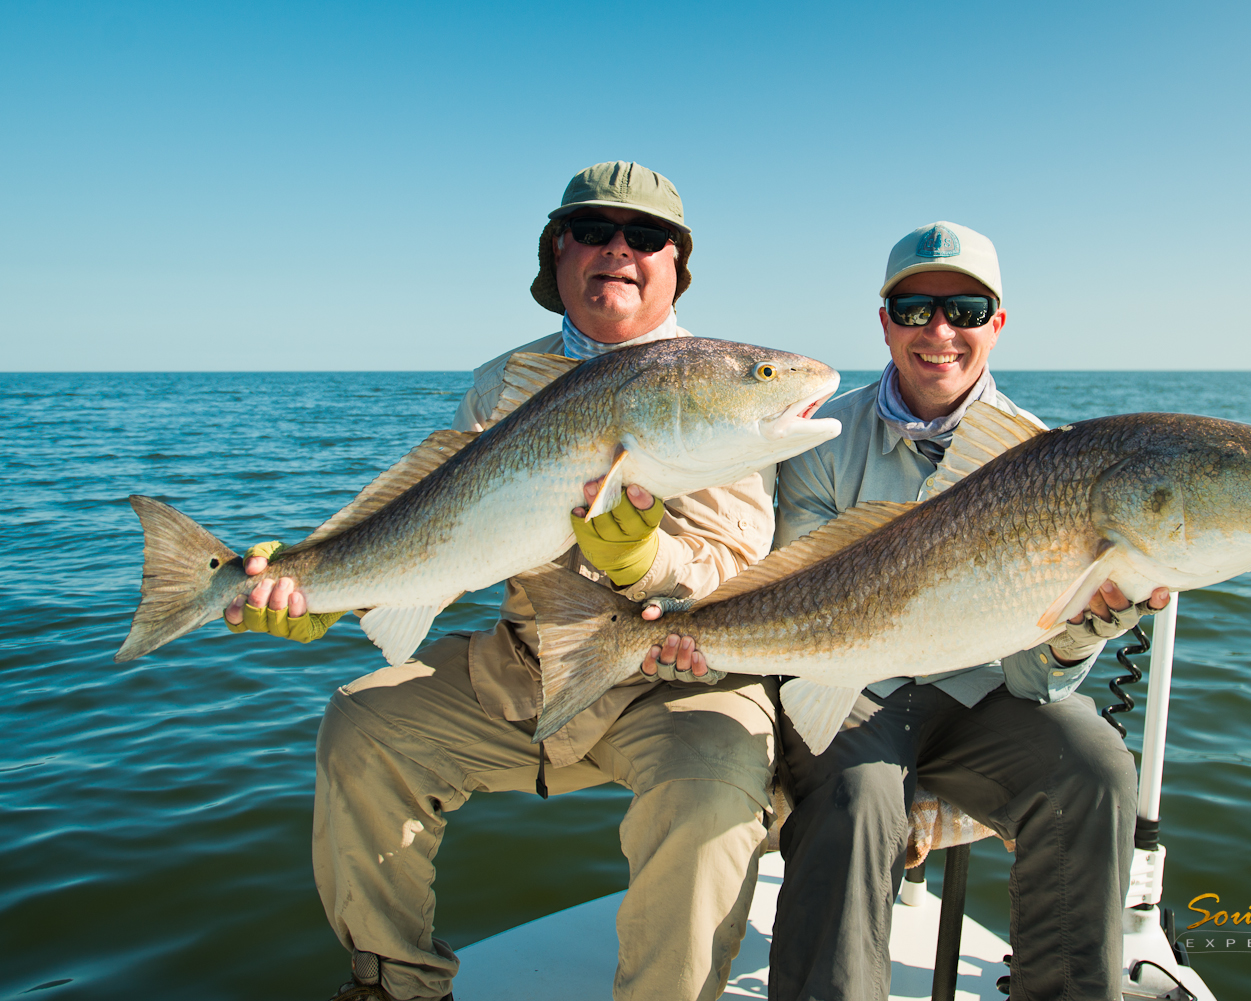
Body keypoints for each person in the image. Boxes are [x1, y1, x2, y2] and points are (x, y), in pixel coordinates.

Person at [227, 162, 777, 1001]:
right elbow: (440, 534)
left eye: (646, 235)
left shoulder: (719, 379)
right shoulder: (505, 382)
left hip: (675, 673)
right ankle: (394, 982)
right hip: (526, 662)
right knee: (363, 723)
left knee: (711, 793)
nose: (618, 251)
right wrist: (326, 586)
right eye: (592, 230)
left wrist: (645, 562)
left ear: (677, 263)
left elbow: (739, 573)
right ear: (557, 253)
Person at [650, 222, 1169, 1001]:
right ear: (884, 320)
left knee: (1095, 765)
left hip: (981, 690)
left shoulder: (1046, 460)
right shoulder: (821, 440)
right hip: (850, 680)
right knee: (857, 796)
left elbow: (1032, 682)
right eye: (913, 307)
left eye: (964, 308)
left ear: (996, 323)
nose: (939, 331)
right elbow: (798, 599)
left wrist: (1079, 631)